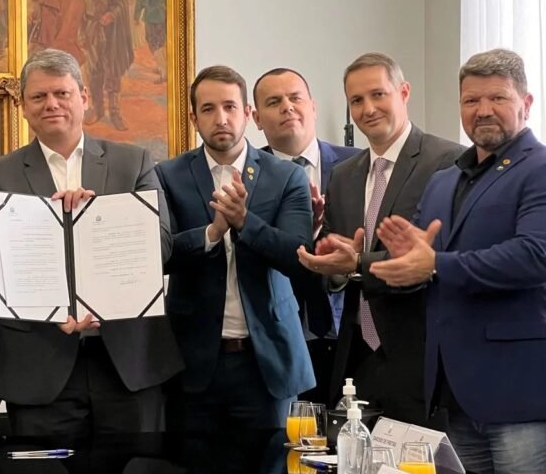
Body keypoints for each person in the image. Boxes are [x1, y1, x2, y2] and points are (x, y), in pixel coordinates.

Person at [0, 48, 183, 439]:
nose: (51, 104)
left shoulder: (134, 162)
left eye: (62, 93)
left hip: (129, 362)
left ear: (84, 97)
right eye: (38, 96)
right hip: (39, 364)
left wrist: (99, 216)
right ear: (23, 107)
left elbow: (161, 247)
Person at [370, 48, 546, 474]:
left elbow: (535, 254)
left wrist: (434, 263)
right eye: (471, 100)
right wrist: (361, 261)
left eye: (497, 98)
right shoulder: (443, 180)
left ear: (526, 104)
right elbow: (420, 264)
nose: (483, 110)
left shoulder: (540, 169)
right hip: (452, 393)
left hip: (521, 396)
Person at [298, 53, 464, 425]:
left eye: (378, 94)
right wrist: (333, 264)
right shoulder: (344, 174)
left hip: (421, 356)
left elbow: (437, 255)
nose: (368, 109)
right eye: (356, 100)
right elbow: (341, 258)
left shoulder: (447, 161)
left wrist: (358, 263)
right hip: (357, 355)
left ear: (403, 92)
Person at [157, 65, 315, 432]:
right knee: (194, 467)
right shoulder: (168, 175)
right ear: (194, 118)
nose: (221, 118)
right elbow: (160, 256)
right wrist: (212, 233)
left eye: (230, 107)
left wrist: (245, 223)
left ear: (247, 113)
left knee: (278, 466)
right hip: (193, 363)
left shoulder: (286, 176)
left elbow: (298, 256)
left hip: (269, 361)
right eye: (208, 109)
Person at [253, 67, 358, 404]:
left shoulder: (358, 165)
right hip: (278, 338)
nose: (287, 107)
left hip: (351, 336)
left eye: (295, 98)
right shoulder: (247, 176)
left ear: (312, 106)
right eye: (274, 102)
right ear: (256, 118)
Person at [79, 0, 134, 130]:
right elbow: (78, 10)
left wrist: (112, 14)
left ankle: (115, 113)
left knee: (113, 71)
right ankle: (98, 110)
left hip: (112, 32)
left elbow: (122, 4)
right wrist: (81, 34)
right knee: (94, 71)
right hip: (91, 31)